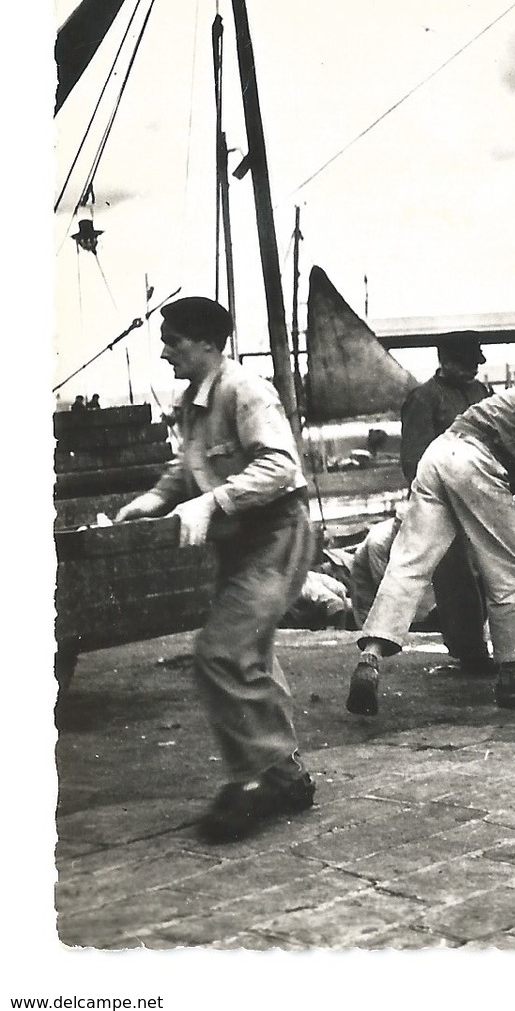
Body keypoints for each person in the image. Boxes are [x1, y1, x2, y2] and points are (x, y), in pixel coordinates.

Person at [114, 296, 317, 842]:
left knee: (221, 653)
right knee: (247, 654)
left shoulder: (244, 390)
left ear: (207, 342)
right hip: (240, 540)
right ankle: (285, 773)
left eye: (173, 341)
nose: (164, 352)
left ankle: (261, 777)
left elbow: (280, 466)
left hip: (275, 532)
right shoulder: (194, 402)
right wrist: (153, 500)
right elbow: (188, 469)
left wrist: (210, 504)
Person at [346, 356, 515, 713]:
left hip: (439, 457)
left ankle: (370, 658)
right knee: (508, 570)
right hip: (473, 465)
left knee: (409, 563)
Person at [400, 331, 496, 672]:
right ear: (445, 362)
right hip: (444, 501)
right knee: (457, 577)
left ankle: (491, 646)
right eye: (466, 364)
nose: (473, 370)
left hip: (483, 495)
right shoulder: (424, 398)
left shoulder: (480, 392)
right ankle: (470, 653)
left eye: (475, 364)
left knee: (492, 572)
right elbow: (414, 459)